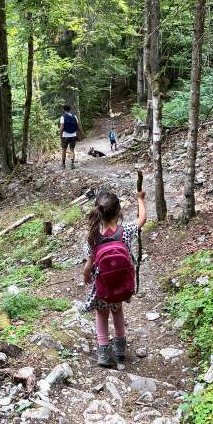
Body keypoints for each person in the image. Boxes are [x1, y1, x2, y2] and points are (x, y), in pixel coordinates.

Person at [82, 191, 147, 367]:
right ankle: (120, 350)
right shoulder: (125, 231)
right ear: (119, 211)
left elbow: (89, 265)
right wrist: (140, 199)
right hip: (119, 286)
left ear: (98, 212)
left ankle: (104, 353)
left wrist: (86, 275)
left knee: (101, 316)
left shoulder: (92, 237)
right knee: (117, 312)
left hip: (102, 288)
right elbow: (142, 219)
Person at [59, 104, 80, 169]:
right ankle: (72, 164)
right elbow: (77, 126)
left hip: (65, 135)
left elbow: (62, 128)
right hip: (73, 135)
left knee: (64, 149)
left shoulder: (63, 117)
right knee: (72, 149)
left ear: (64, 110)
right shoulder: (75, 116)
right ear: (70, 109)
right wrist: (79, 134)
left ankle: (63, 164)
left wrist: (60, 136)